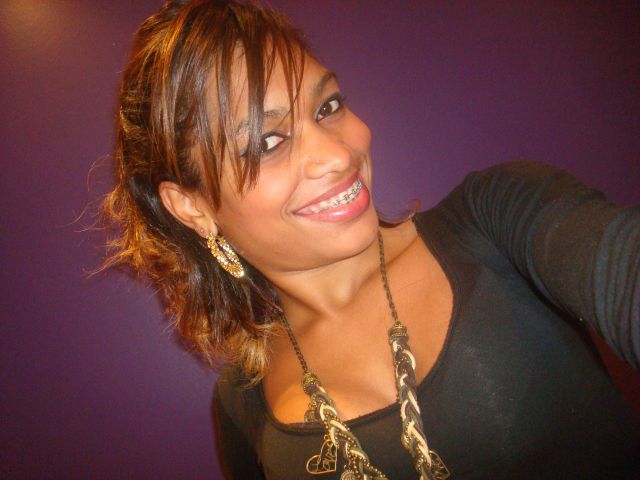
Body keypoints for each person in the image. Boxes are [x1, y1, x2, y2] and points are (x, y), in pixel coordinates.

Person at [103, 0, 640, 478]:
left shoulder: (499, 216)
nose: (340, 155)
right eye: (268, 142)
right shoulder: (241, 407)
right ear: (193, 207)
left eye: (328, 107)